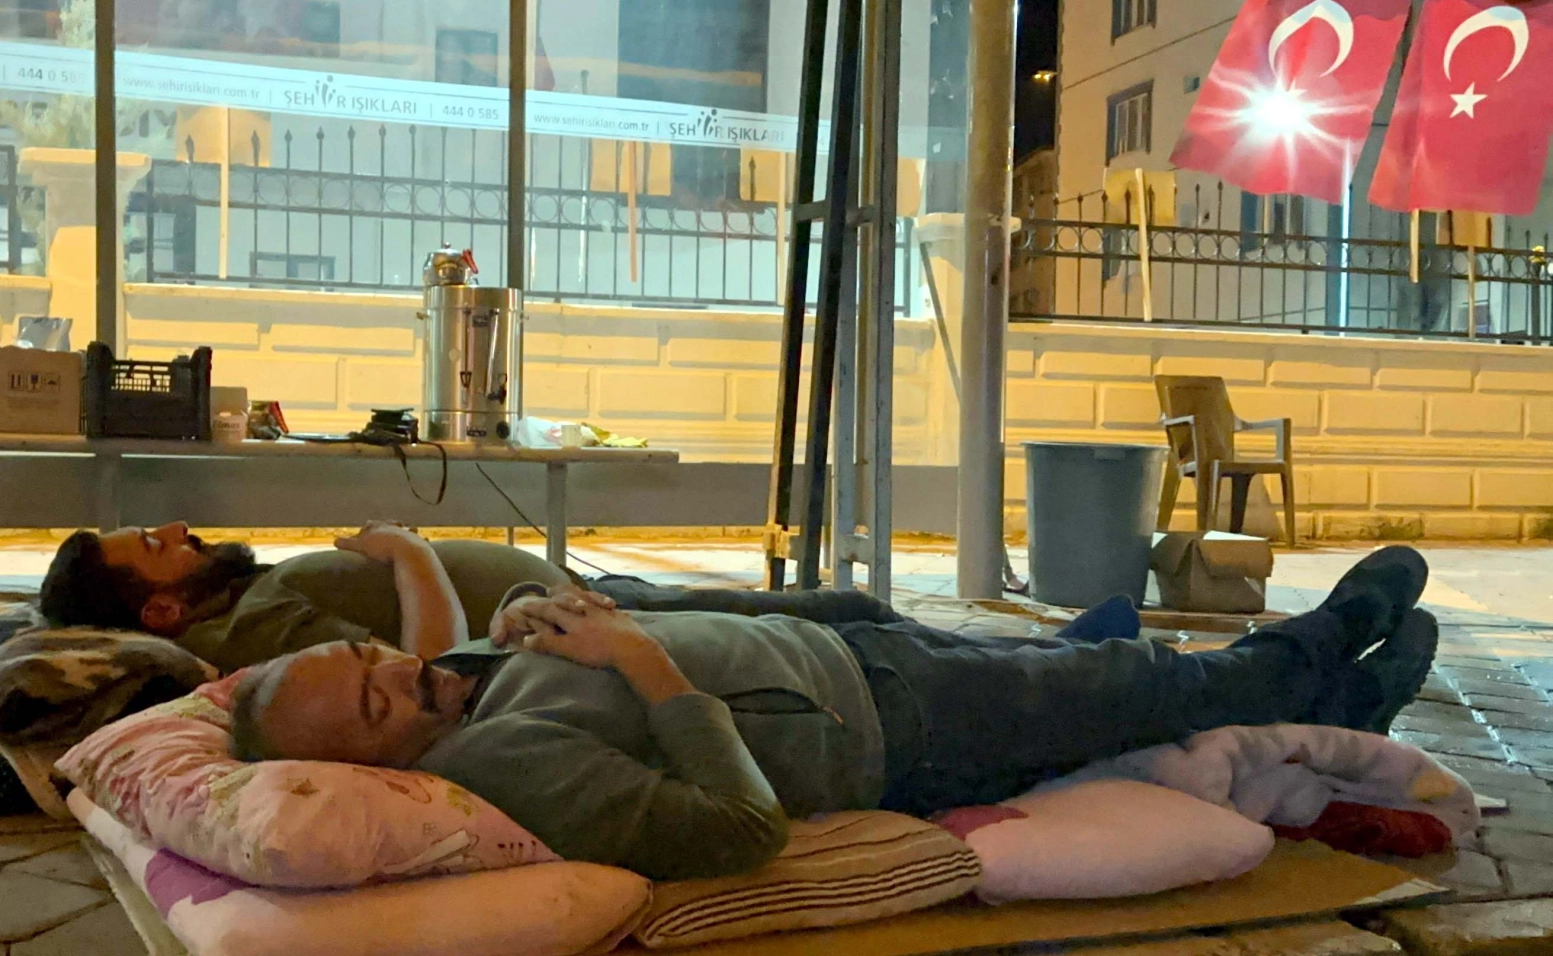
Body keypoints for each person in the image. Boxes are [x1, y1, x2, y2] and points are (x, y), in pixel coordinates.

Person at [230, 547, 1440, 882]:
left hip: (848, 652)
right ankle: (1318, 656)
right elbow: (735, 830)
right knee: (1137, 687)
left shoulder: (465, 674)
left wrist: (553, 608)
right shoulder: (505, 764)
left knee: (1093, 687)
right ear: (378, 767)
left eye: (370, 656)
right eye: (378, 705)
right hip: (885, 727)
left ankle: (1336, 694)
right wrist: (646, 667)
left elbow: (466, 641)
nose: (405, 675)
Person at [36, 522, 908, 673]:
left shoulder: (241, 601)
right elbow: (426, 662)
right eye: (157, 547)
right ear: (160, 612)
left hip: (583, 596)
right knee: (840, 616)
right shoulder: (247, 630)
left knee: (833, 608)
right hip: (581, 622)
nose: (179, 528)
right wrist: (409, 553)